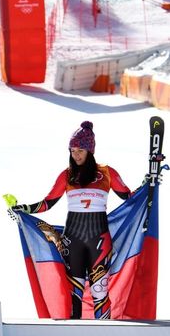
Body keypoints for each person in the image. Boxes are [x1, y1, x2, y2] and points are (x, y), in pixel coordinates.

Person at [11, 121, 131, 319]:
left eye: (80, 150)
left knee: (99, 291)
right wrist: (24, 209)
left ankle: (106, 335)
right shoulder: (66, 175)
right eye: (72, 150)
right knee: (74, 293)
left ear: (90, 150)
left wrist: (149, 186)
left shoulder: (108, 173)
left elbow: (129, 197)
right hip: (72, 241)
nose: (76, 155)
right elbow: (48, 203)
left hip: (99, 242)